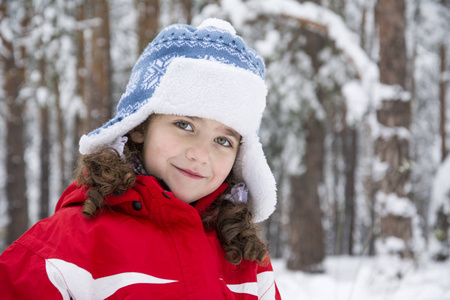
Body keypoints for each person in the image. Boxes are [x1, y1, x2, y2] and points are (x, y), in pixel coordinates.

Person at [0, 18, 281, 299]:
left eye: (223, 140)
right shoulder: (66, 248)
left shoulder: (245, 256)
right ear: (139, 127)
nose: (200, 154)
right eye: (184, 125)